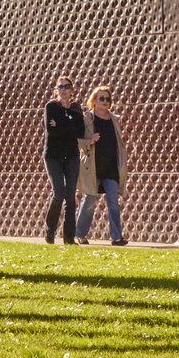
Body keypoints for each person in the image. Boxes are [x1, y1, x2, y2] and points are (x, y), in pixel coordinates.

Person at [75, 86, 127, 246]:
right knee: (89, 200)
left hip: (111, 167)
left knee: (113, 201)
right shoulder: (86, 119)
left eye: (107, 99)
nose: (105, 102)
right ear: (94, 101)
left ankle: (117, 237)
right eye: (101, 98)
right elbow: (76, 141)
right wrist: (89, 140)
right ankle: (79, 234)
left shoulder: (114, 119)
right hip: (93, 167)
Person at [42, 76, 87, 244]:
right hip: (53, 156)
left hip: (72, 156)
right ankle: (50, 230)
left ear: (72, 90)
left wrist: (60, 125)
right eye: (60, 86)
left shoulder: (76, 109)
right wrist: (69, 127)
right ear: (56, 90)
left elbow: (80, 132)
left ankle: (68, 238)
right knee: (58, 193)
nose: (63, 89)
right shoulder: (51, 107)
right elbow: (51, 131)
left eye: (67, 86)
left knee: (70, 196)